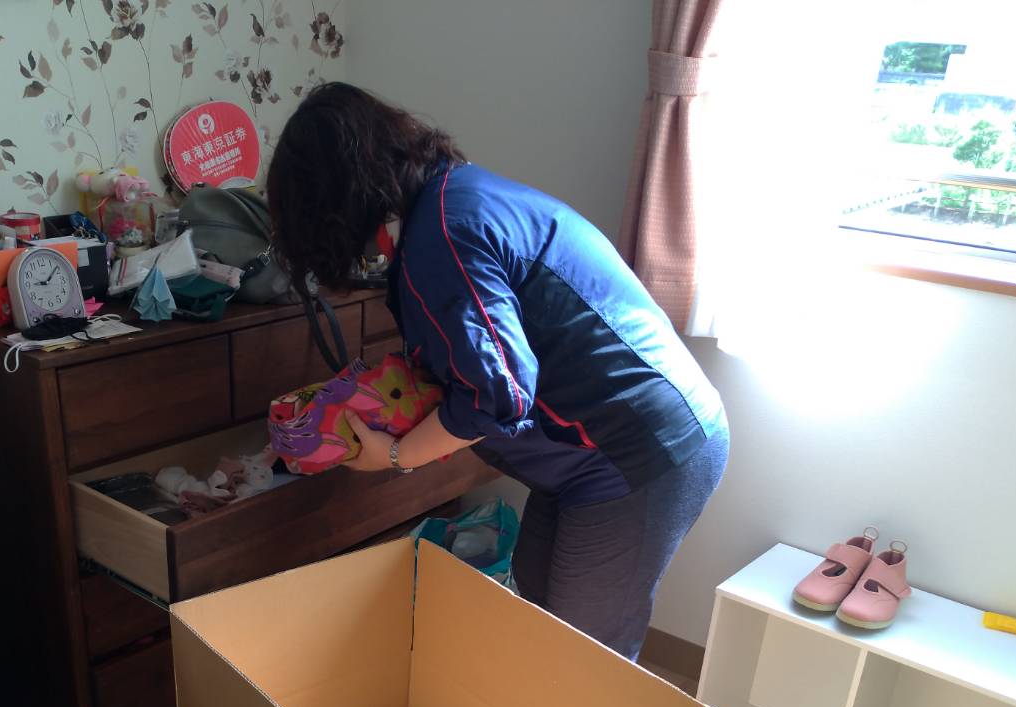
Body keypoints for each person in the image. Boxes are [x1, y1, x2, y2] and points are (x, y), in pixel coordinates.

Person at [266, 83, 729, 663]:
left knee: (583, 662)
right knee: (535, 612)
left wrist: (396, 456)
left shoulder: (440, 237)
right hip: (596, 450)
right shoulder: (451, 198)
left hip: (642, 449)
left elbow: (499, 395)